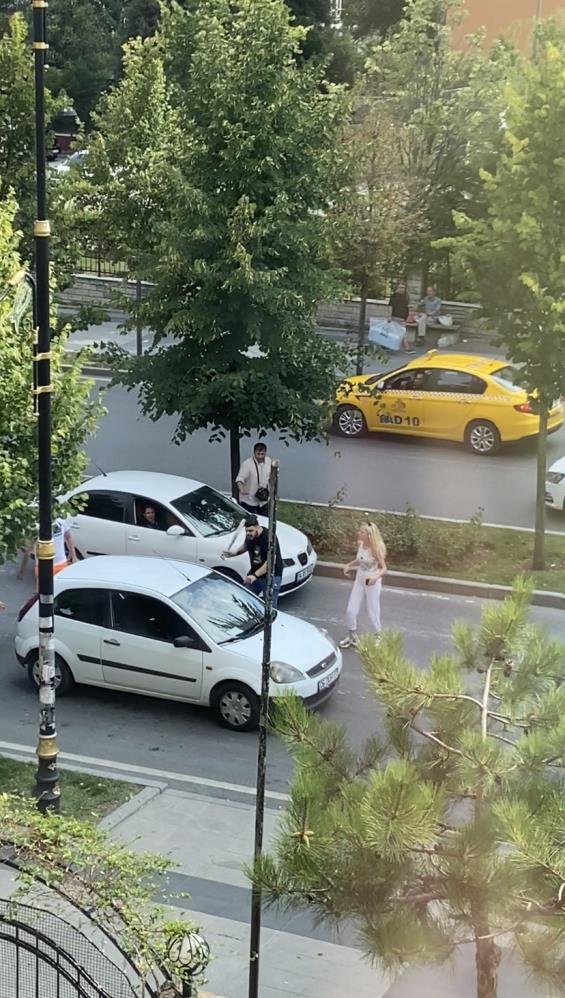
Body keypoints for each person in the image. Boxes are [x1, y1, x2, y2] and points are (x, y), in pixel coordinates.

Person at [339, 523, 387, 649]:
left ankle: (378, 635)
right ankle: (352, 635)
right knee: (351, 609)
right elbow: (360, 559)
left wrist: (375, 577)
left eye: (362, 532)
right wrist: (349, 565)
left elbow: (384, 568)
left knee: (373, 610)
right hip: (359, 579)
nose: (359, 533)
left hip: (371, 581)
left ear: (369, 535)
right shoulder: (361, 544)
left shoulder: (376, 549)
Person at [222, 516, 283, 608]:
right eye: (246, 531)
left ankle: (269, 620)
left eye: (251, 531)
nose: (248, 533)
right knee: (246, 599)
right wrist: (233, 553)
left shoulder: (269, 537)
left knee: (270, 607)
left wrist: (255, 575)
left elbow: (270, 562)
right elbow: (246, 546)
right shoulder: (250, 536)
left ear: (258, 527)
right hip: (255, 573)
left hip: (271, 576)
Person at [34, 516, 77, 585]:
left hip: (61, 563)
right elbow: (30, 546)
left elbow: (68, 537)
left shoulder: (60, 521)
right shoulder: (36, 525)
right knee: (43, 593)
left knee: (60, 590)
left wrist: (74, 557)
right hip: (43, 565)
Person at [236, 442, 272, 517]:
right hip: (249, 500)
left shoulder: (269, 461)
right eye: (258, 454)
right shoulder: (247, 464)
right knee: (250, 521)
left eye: (262, 454)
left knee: (264, 519)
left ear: (265, 453)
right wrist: (242, 490)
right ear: (254, 453)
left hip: (263, 500)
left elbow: (270, 476)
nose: (260, 456)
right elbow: (240, 479)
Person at [388, 280, 414, 354]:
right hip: (395, 317)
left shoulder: (405, 297)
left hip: (402, 318)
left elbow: (405, 307)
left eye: (403, 288)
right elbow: (390, 307)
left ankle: (390, 346)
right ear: (397, 288)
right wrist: (389, 316)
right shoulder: (394, 296)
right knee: (402, 333)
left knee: (399, 332)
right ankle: (407, 348)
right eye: (400, 287)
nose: (402, 289)